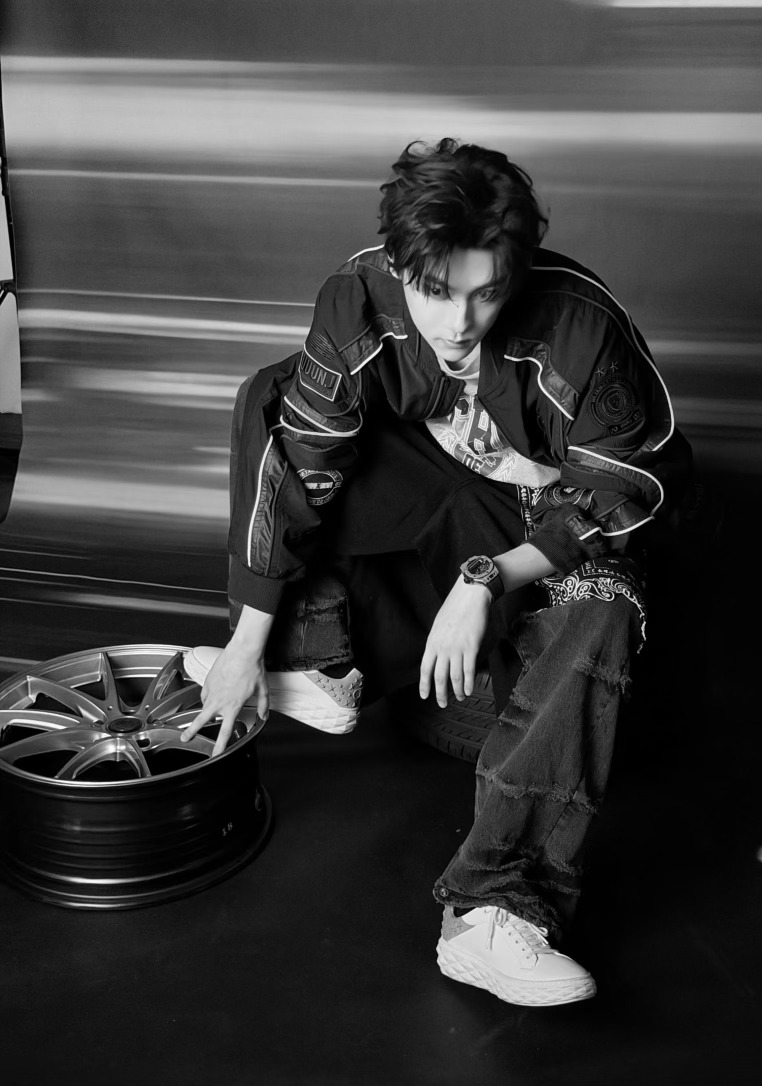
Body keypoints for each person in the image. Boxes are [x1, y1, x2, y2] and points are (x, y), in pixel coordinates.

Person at [181, 138, 694, 1007]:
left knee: (605, 601)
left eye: (486, 293)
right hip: (435, 627)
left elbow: (629, 497)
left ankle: (491, 909)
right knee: (278, 397)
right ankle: (323, 662)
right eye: (435, 291)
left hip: (544, 617)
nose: (458, 322)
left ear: (516, 274)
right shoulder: (357, 299)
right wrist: (245, 647)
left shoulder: (580, 328)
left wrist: (486, 578)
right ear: (397, 265)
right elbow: (302, 466)